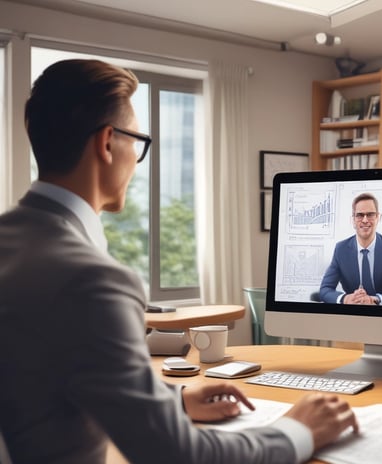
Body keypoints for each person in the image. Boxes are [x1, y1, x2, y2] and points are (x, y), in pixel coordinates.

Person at [0, 59, 357, 464]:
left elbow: (46, 376)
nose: (136, 159)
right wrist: (299, 430)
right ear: (106, 143)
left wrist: (176, 398)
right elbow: (179, 454)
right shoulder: (91, 280)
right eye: (137, 141)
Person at [319, 192, 382, 306]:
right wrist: (345, 299)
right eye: (359, 215)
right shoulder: (341, 249)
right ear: (353, 219)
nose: (365, 220)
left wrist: (376, 299)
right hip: (351, 314)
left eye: (370, 214)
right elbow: (325, 290)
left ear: (378, 217)